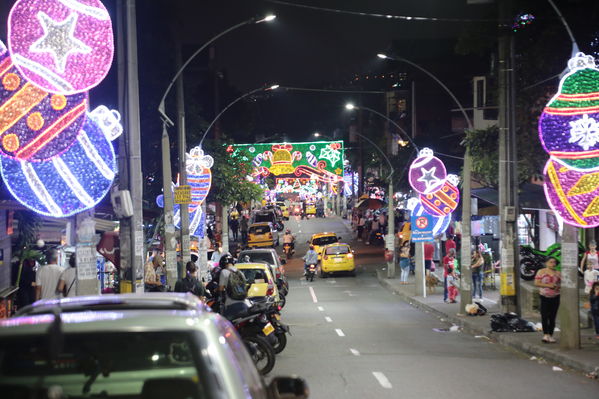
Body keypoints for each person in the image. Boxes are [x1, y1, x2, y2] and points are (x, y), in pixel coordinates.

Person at [534, 257, 561, 343]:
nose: (553, 264)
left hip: (555, 297)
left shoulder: (558, 273)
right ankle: (545, 334)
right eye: (551, 262)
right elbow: (536, 283)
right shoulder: (541, 272)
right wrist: (549, 286)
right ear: (546, 263)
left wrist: (558, 287)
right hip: (544, 296)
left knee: (552, 317)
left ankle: (551, 335)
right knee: (544, 315)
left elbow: (563, 283)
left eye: (554, 262)